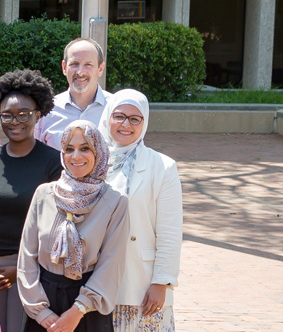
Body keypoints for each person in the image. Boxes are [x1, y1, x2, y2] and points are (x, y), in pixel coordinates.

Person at [0, 69, 64, 332]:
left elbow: (56, 226)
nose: (15, 121)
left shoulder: (54, 162)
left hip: (34, 268)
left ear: (38, 114)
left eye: (24, 113)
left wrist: (21, 270)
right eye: (7, 115)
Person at [18, 120, 129, 332]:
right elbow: (27, 257)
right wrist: (41, 312)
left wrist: (78, 311)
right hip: (44, 303)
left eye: (85, 148)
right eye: (69, 149)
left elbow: (111, 264)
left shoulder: (115, 202)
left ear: (98, 152)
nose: (76, 156)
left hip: (88, 307)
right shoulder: (44, 194)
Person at [99, 90, 181, 331]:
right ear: (108, 118)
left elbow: (170, 231)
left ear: (144, 123)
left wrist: (162, 282)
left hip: (142, 284)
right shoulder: (92, 160)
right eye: (119, 116)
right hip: (97, 280)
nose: (126, 124)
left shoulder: (162, 166)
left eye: (135, 119)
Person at [36, 38, 113, 151]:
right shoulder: (46, 111)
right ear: (64, 67)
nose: (80, 72)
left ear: (100, 69)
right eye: (74, 64)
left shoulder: (115, 108)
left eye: (88, 65)